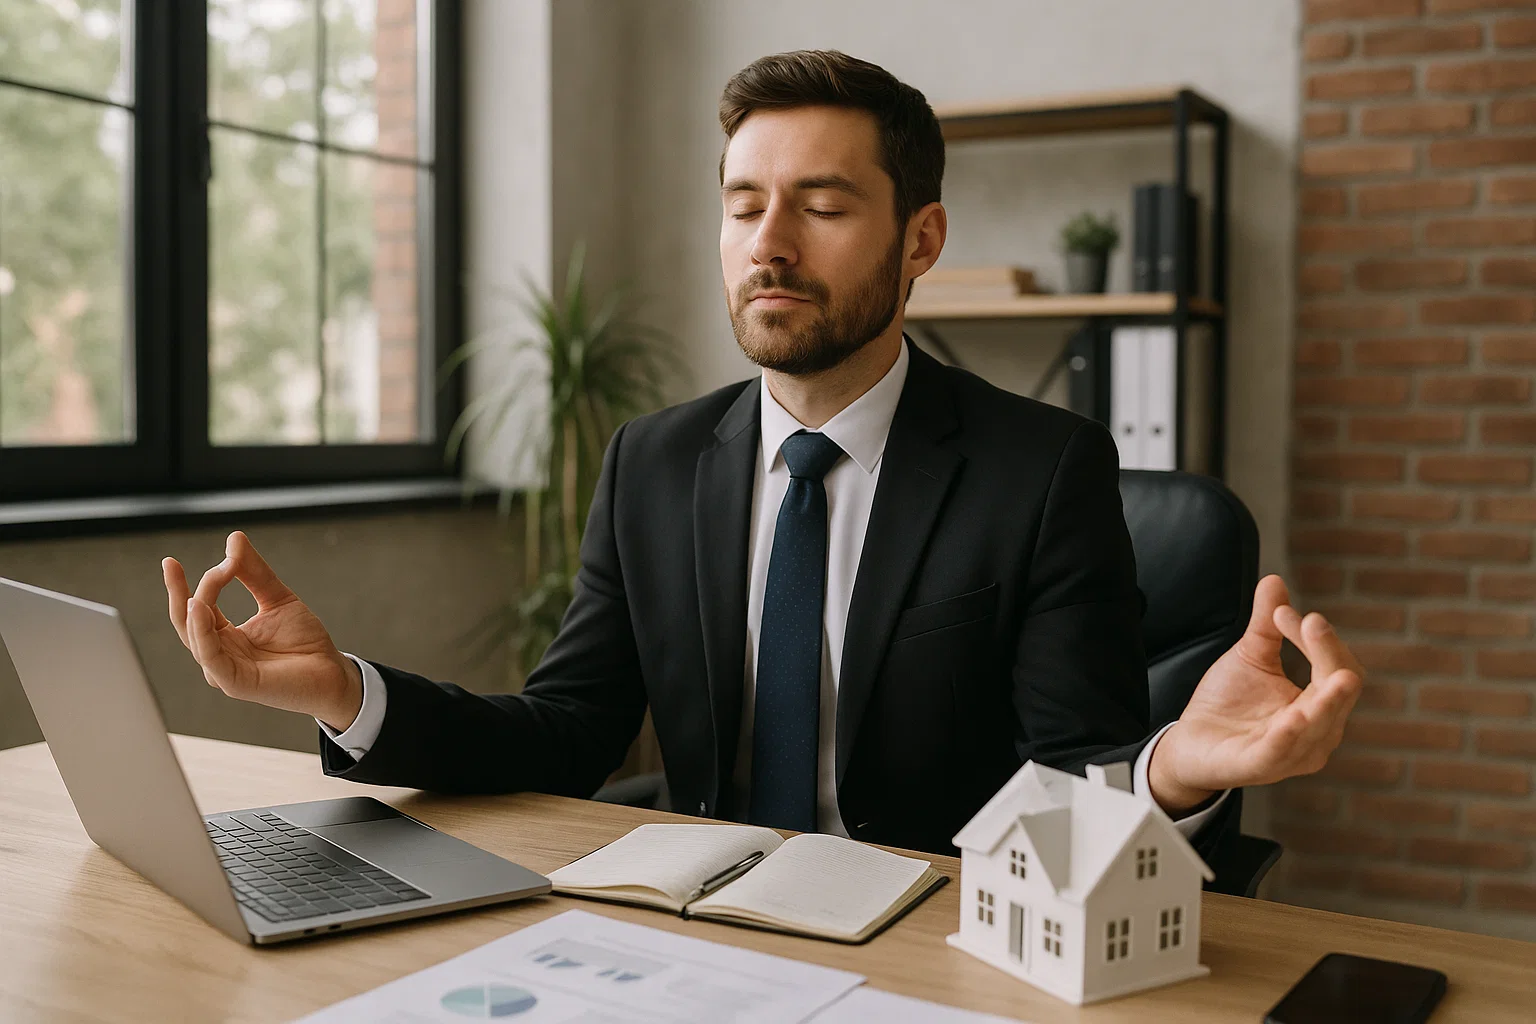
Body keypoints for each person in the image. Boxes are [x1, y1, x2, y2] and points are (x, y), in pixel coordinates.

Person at [163, 51, 1363, 864]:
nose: (769, 245)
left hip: (933, 938)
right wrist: (343, 692)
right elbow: (570, 728)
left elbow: (1072, 777)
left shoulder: (1041, 468)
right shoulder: (656, 460)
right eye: (744, 205)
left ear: (920, 238)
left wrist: (1176, 771)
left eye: (822, 205)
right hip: (706, 932)